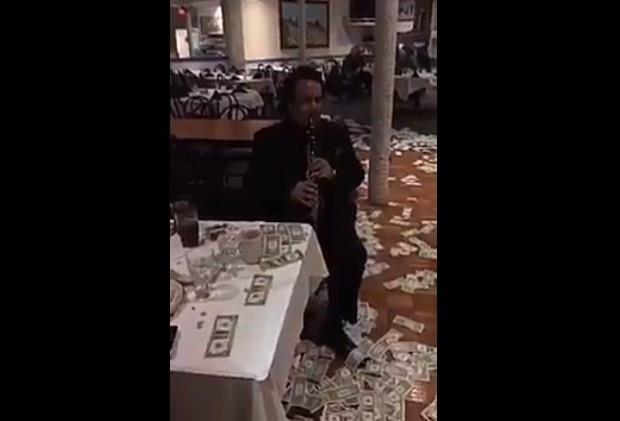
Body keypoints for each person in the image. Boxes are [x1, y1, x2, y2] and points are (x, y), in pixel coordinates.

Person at [246, 66, 367, 357]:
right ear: (289, 104)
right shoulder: (268, 139)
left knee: (352, 254)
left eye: (317, 100)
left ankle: (334, 322)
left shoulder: (335, 133)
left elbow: (356, 174)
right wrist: (288, 193)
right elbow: (252, 188)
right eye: (305, 101)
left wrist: (333, 173)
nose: (313, 108)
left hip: (329, 216)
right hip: (287, 219)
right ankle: (284, 319)